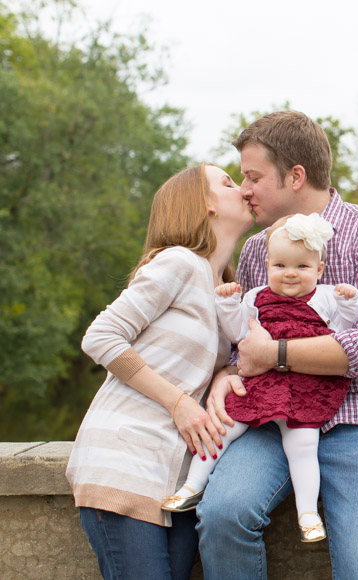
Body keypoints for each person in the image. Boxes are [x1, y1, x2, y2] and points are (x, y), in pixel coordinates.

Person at [196, 110, 358, 580]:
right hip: (275, 412)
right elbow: (247, 341)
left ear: (296, 176)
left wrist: (276, 354)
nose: (244, 189)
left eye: (254, 176)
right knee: (221, 516)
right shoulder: (258, 251)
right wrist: (227, 373)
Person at [66, 164, 254, 579]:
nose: (242, 188)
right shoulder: (179, 263)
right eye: (227, 182)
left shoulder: (221, 286)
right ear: (203, 204)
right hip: (125, 461)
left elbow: (208, 367)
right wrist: (177, 401)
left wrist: (225, 372)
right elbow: (102, 335)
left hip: (178, 478)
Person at [162, 213, 358, 545]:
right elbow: (238, 332)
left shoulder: (325, 296)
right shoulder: (255, 296)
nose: (291, 274)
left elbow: (343, 330)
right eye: (281, 266)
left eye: (302, 267)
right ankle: (191, 486)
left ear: (320, 270)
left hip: (305, 386)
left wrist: (348, 301)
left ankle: (307, 512)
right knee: (223, 428)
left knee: (303, 446)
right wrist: (226, 303)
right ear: (267, 264)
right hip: (263, 384)